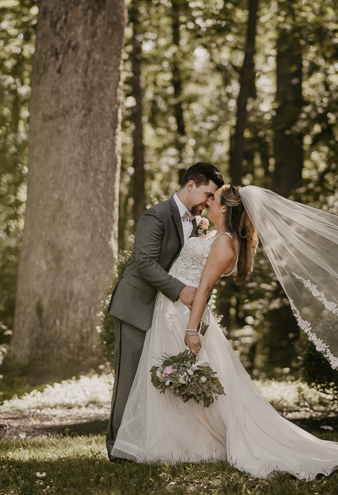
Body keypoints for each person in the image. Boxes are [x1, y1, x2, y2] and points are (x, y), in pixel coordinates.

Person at [110, 185, 338, 479]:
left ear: (226, 208)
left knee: (184, 380)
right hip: (172, 312)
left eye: (213, 199)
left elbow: (203, 290)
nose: (207, 202)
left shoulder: (224, 244)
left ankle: (181, 444)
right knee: (177, 382)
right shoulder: (217, 237)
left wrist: (191, 330)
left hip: (183, 316)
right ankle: (172, 442)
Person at [106, 162, 224, 462]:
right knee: (129, 380)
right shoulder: (155, 215)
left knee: (154, 380)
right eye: (207, 194)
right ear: (190, 185)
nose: (208, 202)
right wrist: (180, 290)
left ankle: (144, 443)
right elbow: (144, 263)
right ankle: (117, 448)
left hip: (166, 313)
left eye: (212, 198)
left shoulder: (198, 222)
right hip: (136, 306)